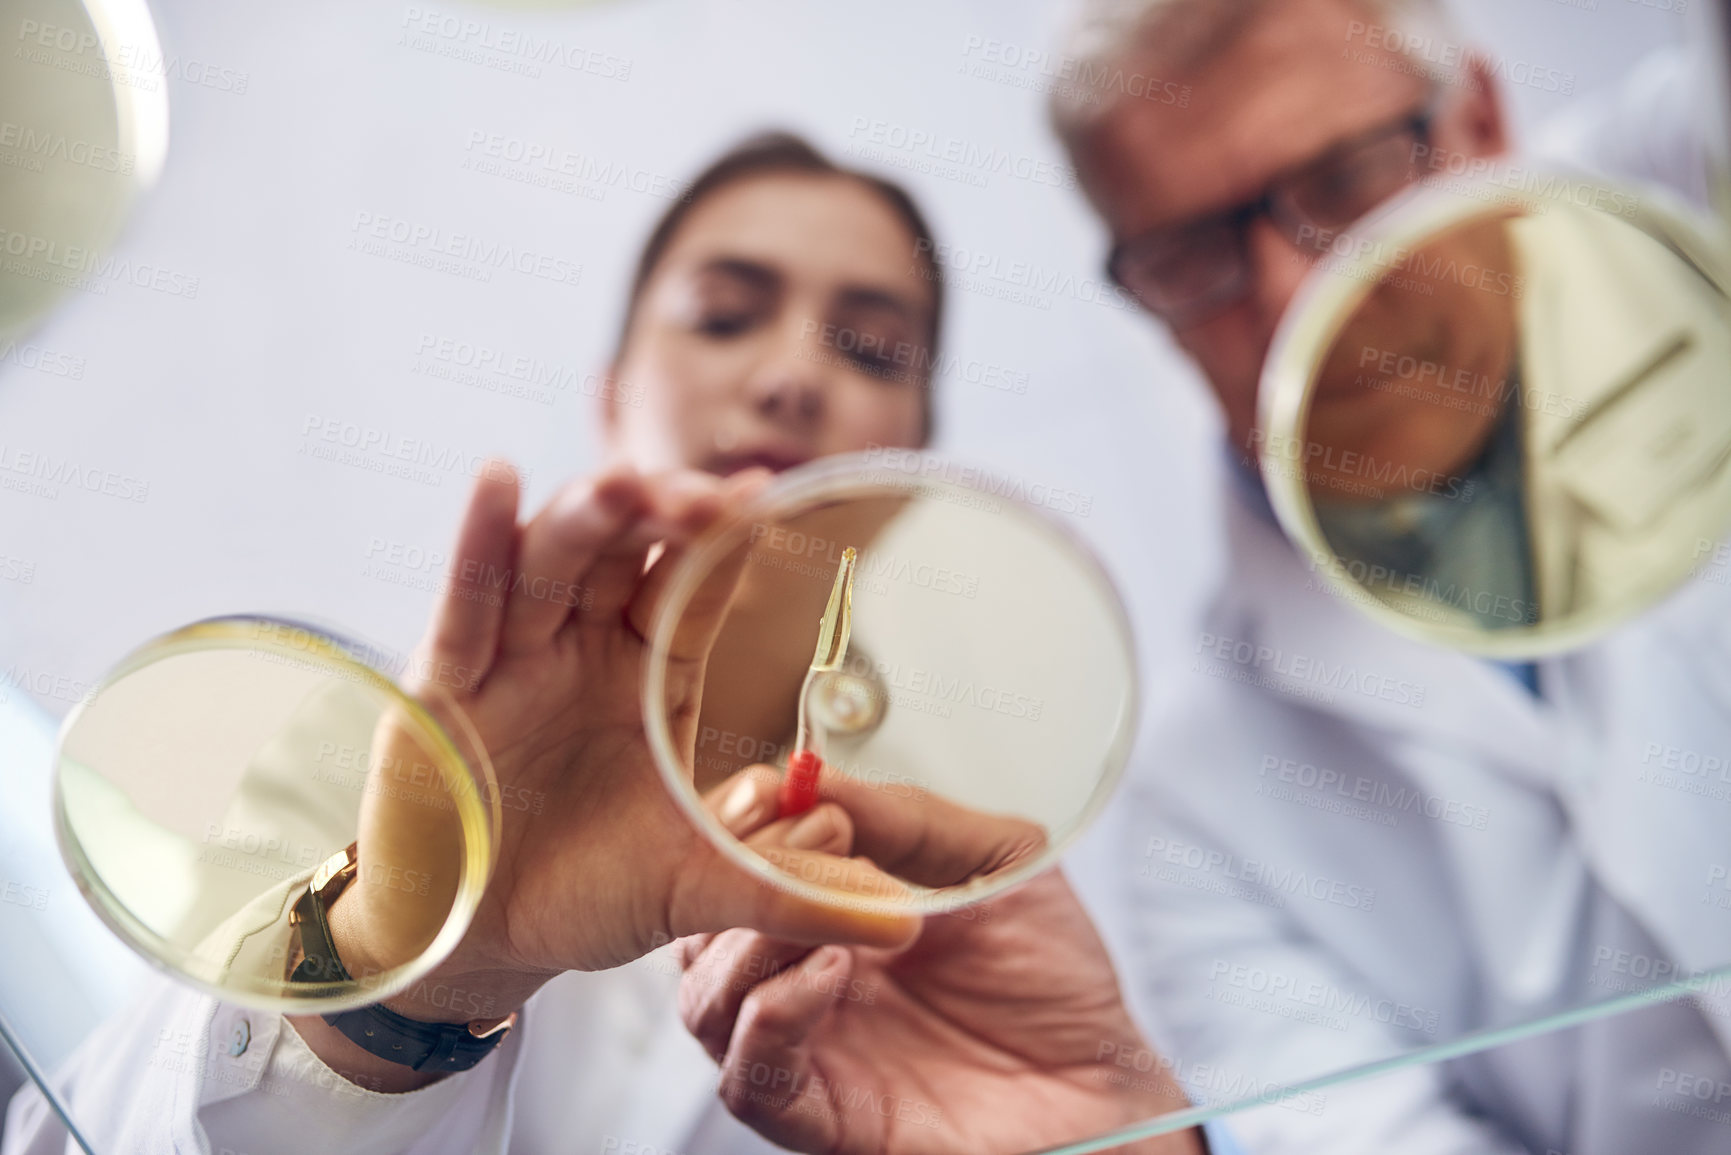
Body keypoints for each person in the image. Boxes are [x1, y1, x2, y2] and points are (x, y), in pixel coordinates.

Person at [692, 3, 1731, 1154]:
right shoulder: (1195, 810)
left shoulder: (1685, 202)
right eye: (1197, 252)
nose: (1294, 298)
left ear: (1481, 122)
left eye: (1345, 181)